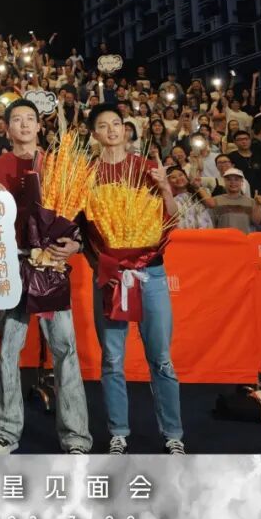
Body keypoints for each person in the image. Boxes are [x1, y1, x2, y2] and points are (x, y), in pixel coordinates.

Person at [0, 99, 91, 455]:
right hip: (12, 263)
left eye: (31, 118)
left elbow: (83, 215)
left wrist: (75, 245)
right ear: (6, 127)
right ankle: (4, 430)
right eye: (17, 119)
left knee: (65, 349)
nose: (25, 125)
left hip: (52, 265)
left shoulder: (60, 164)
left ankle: (76, 436)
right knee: (8, 349)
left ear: (39, 126)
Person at [85, 103, 183, 455]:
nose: (112, 130)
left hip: (150, 272)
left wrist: (166, 188)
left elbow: (172, 220)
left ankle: (173, 434)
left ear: (126, 130)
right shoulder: (87, 174)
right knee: (112, 359)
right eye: (103, 125)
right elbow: (82, 230)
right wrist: (102, 266)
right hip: (110, 277)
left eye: (117, 124)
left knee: (161, 358)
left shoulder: (145, 168)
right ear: (94, 134)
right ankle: (118, 433)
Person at [210, 168, 261, 233]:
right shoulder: (215, 201)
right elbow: (209, 225)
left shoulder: (252, 202)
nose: (233, 182)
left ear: (242, 182)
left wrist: (258, 205)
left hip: (244, 238)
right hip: (222, 238)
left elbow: (257, 221)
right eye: (229, 179)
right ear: (224, 181)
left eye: (236, 179)